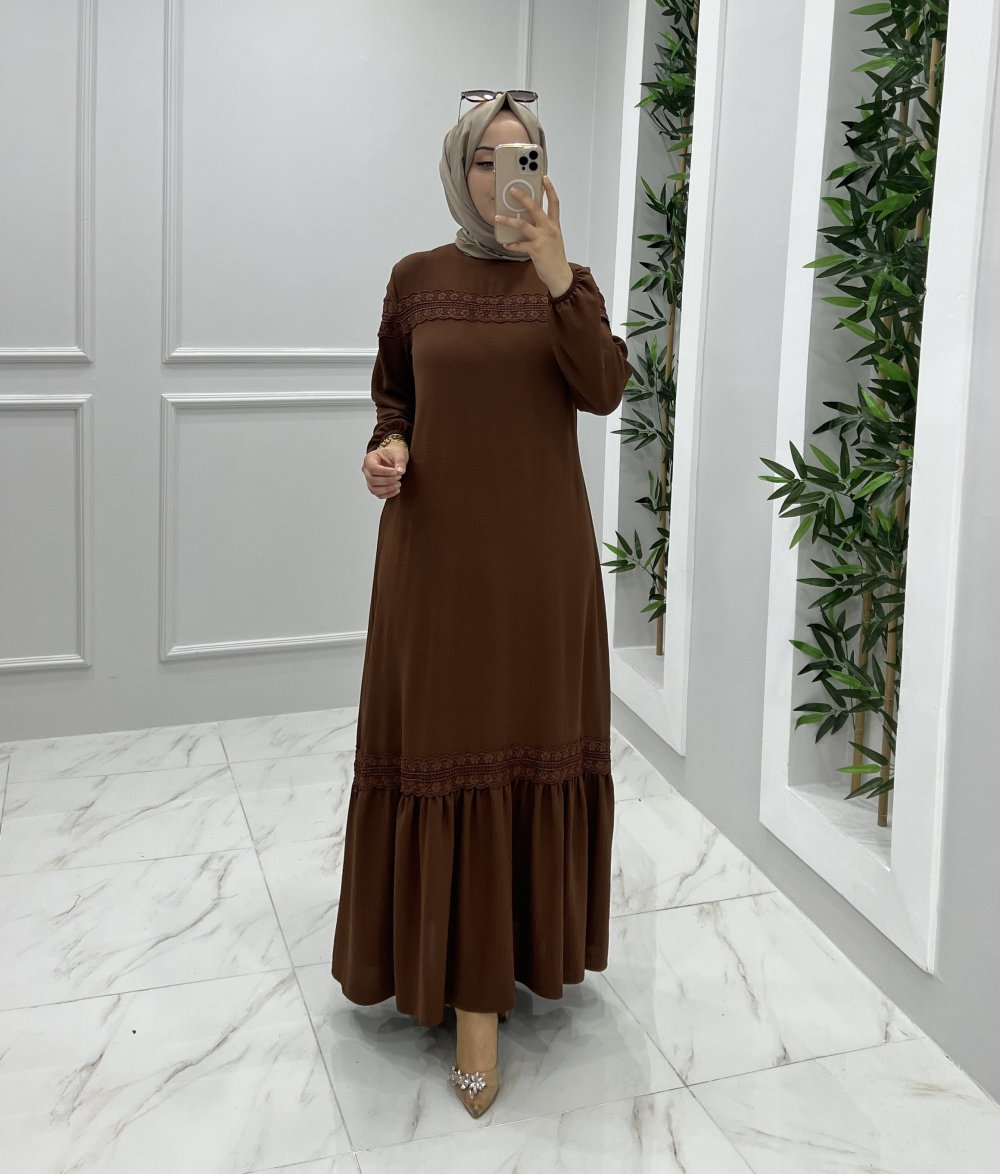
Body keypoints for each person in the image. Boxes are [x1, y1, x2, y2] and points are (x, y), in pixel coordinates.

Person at [330, 90, 631, 1119]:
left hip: (540, 563)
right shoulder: (416, 279)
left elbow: (603, 390)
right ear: (459, 170)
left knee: (528, 739)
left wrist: (556, 274)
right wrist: (387, 447)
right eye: (487, 158)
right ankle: (455, 987)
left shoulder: (570, 285)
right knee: (441, 742)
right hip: (435, 559)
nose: (507, 175)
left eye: (525, 155)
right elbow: (395, 395)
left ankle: (501, 980)